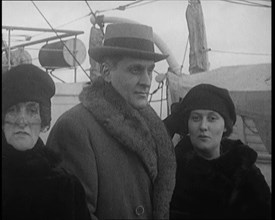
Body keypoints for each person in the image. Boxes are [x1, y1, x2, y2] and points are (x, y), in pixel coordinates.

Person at [46, 23, 176, 219]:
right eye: (135, 70)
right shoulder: (75, 128)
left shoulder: (151, 125)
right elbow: (73, 213)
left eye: (150, 70)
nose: (147, 81)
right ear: (106, 72)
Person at [164, 83, 271, 219]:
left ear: (226, 126)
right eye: (196, 118)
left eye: (212, 118)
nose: (203, 126)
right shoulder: (172, 174)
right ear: (187, 124)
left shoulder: (246, 173)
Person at [2, 64, 91, 220]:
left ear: (43, 120)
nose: (22, 122)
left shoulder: (65, 186)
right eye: (13, 110)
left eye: (32, 110)